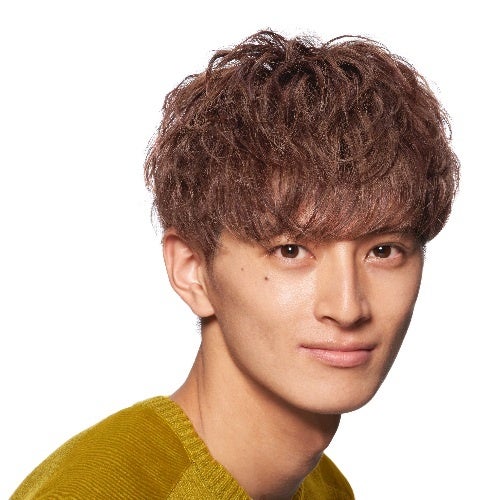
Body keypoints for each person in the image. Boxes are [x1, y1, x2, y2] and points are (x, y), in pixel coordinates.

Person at [12, 30, 458, 499]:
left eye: (383, 251)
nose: (347, 308)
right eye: (291, 251)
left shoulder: (326, 488)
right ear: (192, 270)